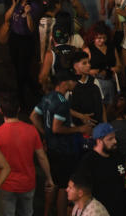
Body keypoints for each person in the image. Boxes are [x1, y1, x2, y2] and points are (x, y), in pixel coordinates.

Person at [31, 71, 91, 216]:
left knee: (52, 181)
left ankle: (46, 212)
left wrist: (45, 134)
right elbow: (57, 128)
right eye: (74, 81)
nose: (75, 84)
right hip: (64, 150)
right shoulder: (63, 102)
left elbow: (33, 117)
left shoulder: (48, 97)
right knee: (64, 187)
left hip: (51, 148)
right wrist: (80, 128)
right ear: (65, 82)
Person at [0, 93, 54, 216]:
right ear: (19, 109)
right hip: (27, 184)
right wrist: (49, 178)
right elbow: (41, 156)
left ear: (0, 111)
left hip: (5, 185)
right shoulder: (31, 130)